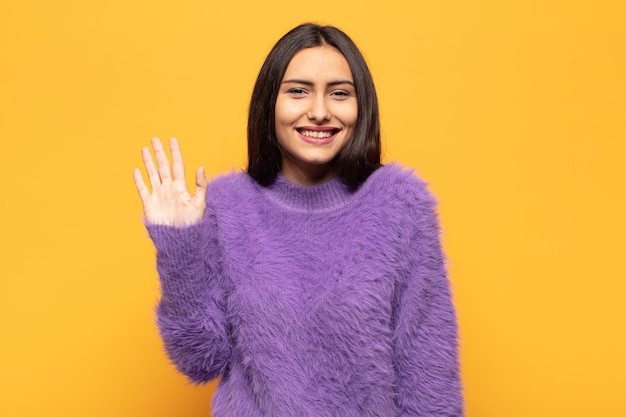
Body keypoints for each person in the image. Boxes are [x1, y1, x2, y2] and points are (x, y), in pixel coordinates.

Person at [134, 23, 464, 416]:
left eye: (339, 93)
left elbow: (429, 377)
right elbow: (200, 359)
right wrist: (179, 248)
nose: (320, 112)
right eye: (298, 91)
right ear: (269, 103)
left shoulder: (399, 205)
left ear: (362, 108)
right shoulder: (227, 204)